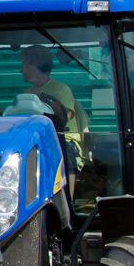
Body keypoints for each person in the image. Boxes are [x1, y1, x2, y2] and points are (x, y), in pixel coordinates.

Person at [19, 44, 91, 174]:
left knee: (64, 150)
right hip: (32, 140)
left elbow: (63, 118)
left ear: (36, 66)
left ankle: (68, 187)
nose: (21, 70)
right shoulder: (24, 94)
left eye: (24, 65)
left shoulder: (60, 90)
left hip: (61, 140)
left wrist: (47, 103)